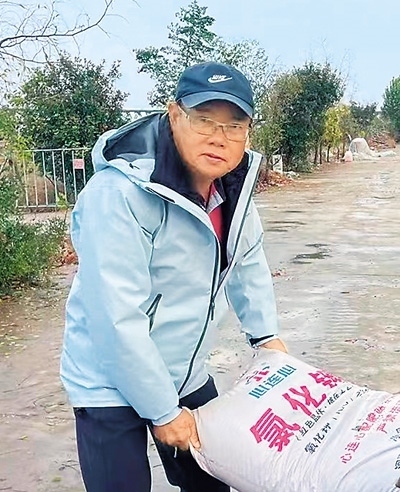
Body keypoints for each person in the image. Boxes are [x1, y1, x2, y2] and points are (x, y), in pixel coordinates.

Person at [60, 61, 287, 492]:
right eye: (204, 120)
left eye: (234, 126)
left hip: (184, 371)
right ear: (174, 114)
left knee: (213, 482)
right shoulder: (118, 195)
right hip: (107, 379)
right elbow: (116, 317)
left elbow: (249, 265)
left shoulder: (231, 192)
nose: (219, 137)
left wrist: (267, 339)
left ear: (247, 133)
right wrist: (163, 412)